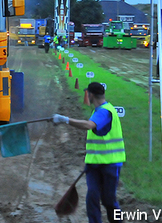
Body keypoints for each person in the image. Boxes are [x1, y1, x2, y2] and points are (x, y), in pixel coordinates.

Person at [53, 82, 125, 223]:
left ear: (91, 95)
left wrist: (65, 120)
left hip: (110, 164)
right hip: (94, 164)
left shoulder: (105, 111)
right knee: (92, 197)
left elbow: (88, 125)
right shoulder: (98, 111)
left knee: (108, 201)